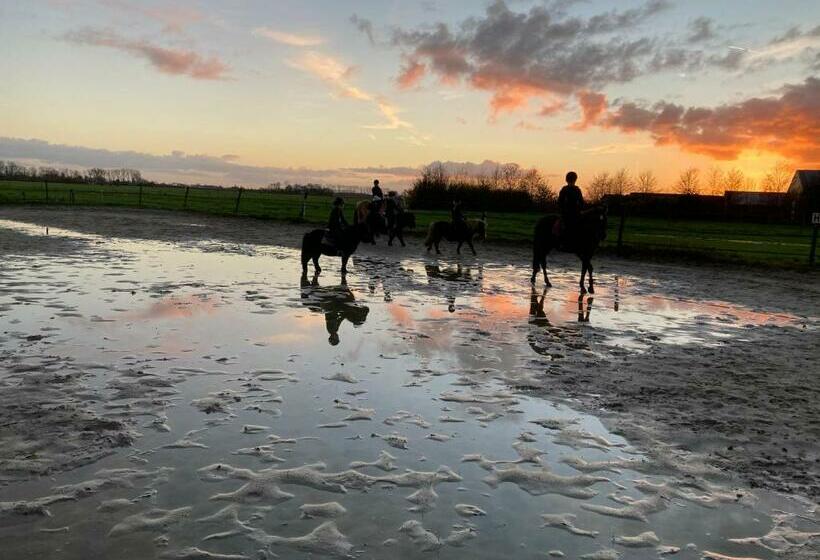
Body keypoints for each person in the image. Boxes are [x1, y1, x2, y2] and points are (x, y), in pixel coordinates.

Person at [557, 171, 584, 245]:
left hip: (574, 213)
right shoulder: (570, 190)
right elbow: (560, 202)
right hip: (568, 213)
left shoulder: (570, 189)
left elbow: (581, 202)